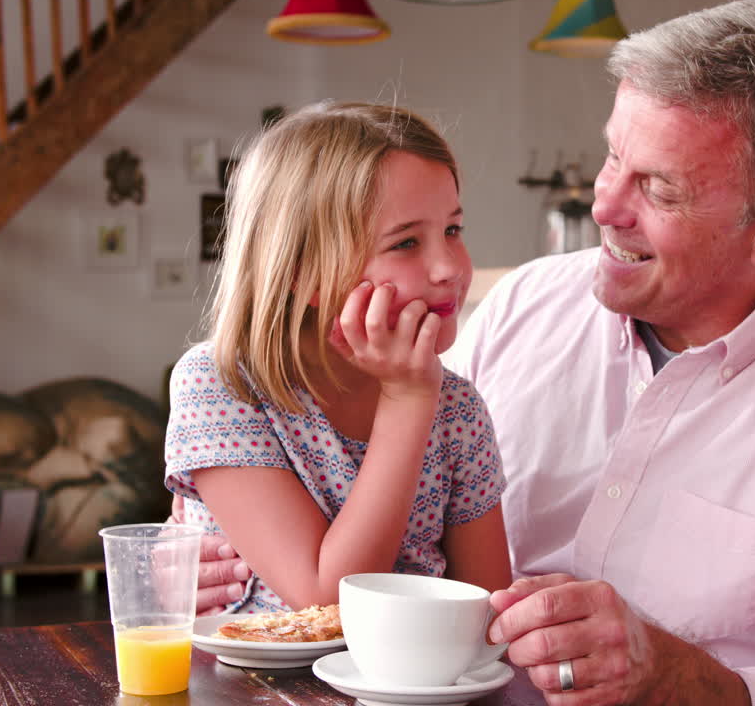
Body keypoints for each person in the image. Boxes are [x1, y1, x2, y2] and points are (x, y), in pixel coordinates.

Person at [192, 0, 755, 705]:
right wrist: (212, 543)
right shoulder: (528, 304)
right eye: (614, 158)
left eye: (658, 190)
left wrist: (668, 671)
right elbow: (384, 528)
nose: (604, 206)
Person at [164, 101, 512, 614]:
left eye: (452, 231)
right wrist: (407, 401)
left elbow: (489, 615)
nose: (449, 268)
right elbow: (329, 603)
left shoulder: (457, 409)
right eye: (407, 242)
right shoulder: (221, 386)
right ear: (303, 273)